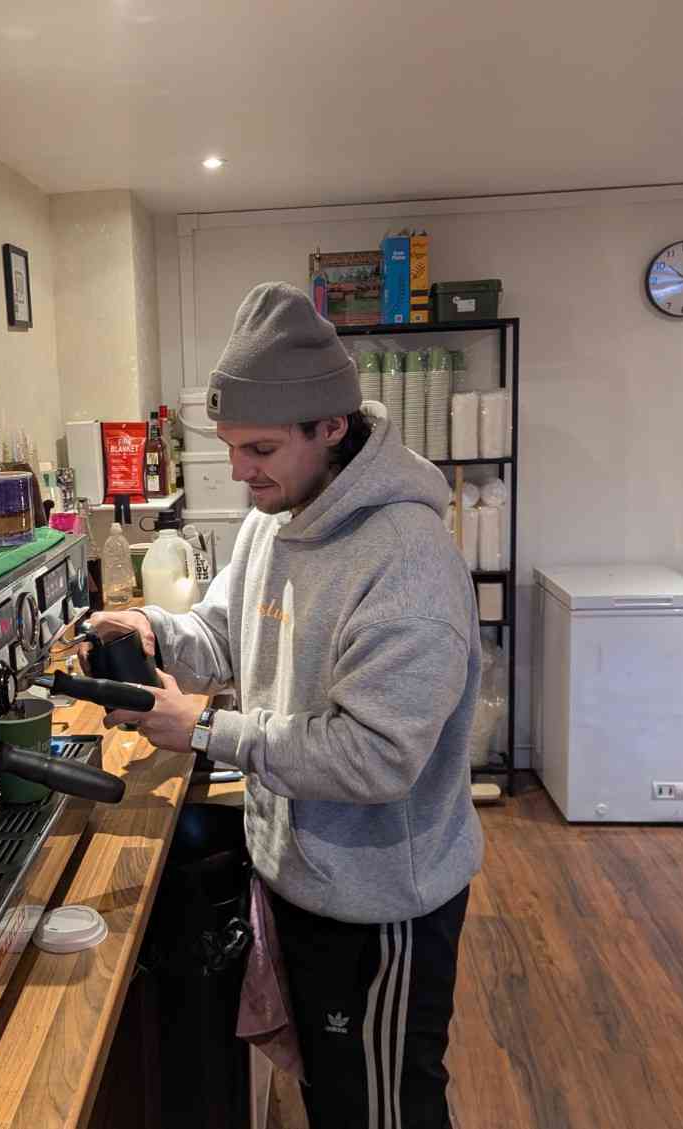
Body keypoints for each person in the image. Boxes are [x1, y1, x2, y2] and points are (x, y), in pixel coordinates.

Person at [87, 281, 483, 1129]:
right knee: (335, 1097)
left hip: (381, 905)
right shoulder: (280, 511)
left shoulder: (408, 562)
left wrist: (205, 729)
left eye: (258, 447)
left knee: (385, 1108)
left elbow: (377, 757)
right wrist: (156, 630)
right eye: (230, 446)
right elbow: (229, 630)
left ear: (331, 428)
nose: (240, 469)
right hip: (302, 880)